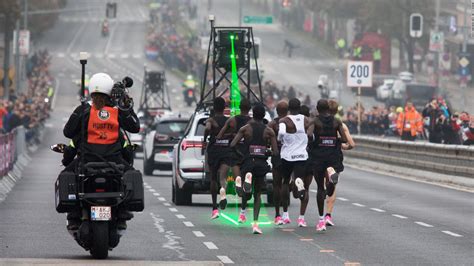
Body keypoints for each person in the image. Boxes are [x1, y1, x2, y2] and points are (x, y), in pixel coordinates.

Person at [62, 72, 140, 230]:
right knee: (133, 175)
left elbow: (68, 132)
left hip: (86, 162)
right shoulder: (117, 111)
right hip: (115, 163)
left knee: (66, 175)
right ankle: (123, 209)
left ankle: (73, 213)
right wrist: (125, 107)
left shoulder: (83, 110)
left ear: (91, 90)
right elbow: (135, 127)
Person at [231, 104, 278, 234]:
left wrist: (243, 154)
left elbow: (233, 144)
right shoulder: (269, 131)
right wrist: (266, 152)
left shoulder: (245, 129)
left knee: (248, 192)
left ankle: (246, 185)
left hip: (247, 161)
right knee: (258, 194)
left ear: (252, 114)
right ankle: (256, 224)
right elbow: (275, 152)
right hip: (261, 163)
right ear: (263, 116)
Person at [307, 99, 349, 231]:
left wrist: (315, 140)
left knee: (320, 188)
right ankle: (331, 179)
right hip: (333, 156)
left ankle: (321, 221)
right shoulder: (337, 121)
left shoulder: (315, 121)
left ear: (318, 109)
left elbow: (309, 135)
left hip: (318, 157)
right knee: (330, 187)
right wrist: (334, 139)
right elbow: (344, 139)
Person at [216, 99, 252, 223]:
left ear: (239, 107)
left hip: (231, 152)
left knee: (222, 177)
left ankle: (223, 190)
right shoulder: (251, 123)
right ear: (249, 109)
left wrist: (230, 135)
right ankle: (242, 212)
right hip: (245, 153)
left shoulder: (231, 120)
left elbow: (219, 135)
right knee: (243, 183)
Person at [278, 98, 310, 224]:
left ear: (289, 109)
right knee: (303, 184)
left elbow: (281, 132)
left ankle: (285, 214)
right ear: (300, 107)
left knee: (285, 182)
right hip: (302, 155)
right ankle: (301, 218)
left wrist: (282, 139)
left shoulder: (284, 120)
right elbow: (312, 134)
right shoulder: (306, 120)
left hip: (287, 156)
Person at [324, 100, 355, 227]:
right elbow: (352, 144)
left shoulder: (318, 123)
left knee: (322, 186)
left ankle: (320, 216)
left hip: (320, 156)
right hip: (335, 157)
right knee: (333, 187)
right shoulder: (341, 125)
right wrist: (341, 146)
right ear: (337, 111)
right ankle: (328, 215)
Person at [204, 97, 231, 219]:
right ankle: (223, 192)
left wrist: (205, 139)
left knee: (213, 177)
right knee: (223, 176)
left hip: (214, 150)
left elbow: (207, 128)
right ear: (224, 107)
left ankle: (214, 208)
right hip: (226, 150)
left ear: (214, 107)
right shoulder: (229, 121)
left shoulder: (211, 120)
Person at [267, 101, 288, 225]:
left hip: (277, 155)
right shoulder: (291, 123)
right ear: (287, 111)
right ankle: (286, 213)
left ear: (276, 110)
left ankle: (277, 215)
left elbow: (266, 139)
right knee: (286, 183)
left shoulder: (272, 124)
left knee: (276, 185)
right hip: (290, 156)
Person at [295, 105, 312, 227]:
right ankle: (301, 218)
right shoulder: (312, 125)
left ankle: (294, 185)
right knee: (306, 188)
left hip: (296, 158)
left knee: (295, 187)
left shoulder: (294, 126)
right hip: (309, 159)